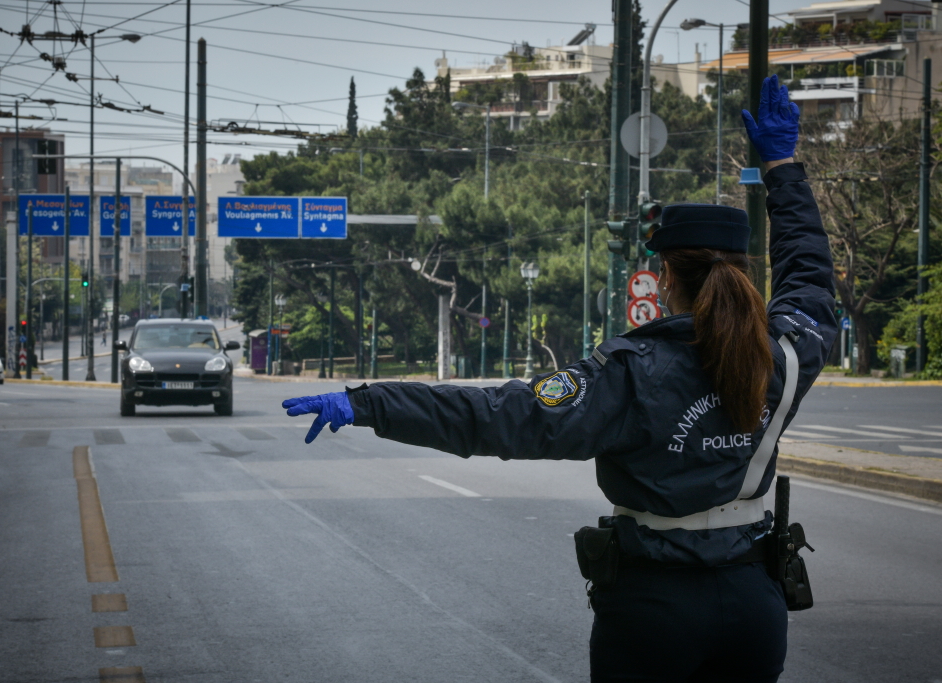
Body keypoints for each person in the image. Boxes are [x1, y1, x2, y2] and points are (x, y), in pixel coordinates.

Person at [283, 76, 836, 682]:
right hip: (755, 610)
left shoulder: (630, 372)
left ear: (663, 276)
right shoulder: (783, 356)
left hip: (655, 611)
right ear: (743, 274)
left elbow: (498, 418)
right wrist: (782, 165)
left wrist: (368, 403)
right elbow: (810, 273)